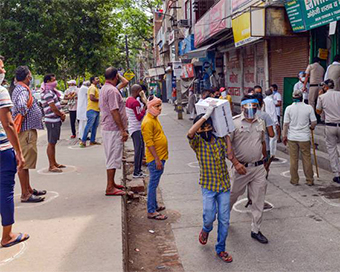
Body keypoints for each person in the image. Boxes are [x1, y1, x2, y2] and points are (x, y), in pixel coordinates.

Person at [187, 109, 233, 263]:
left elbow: (230, 155)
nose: (206, 130)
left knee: (224, 219)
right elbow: (190, 133)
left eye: (208, 126)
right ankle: (206, 229)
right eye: (203, 127)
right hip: (208, 187)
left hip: (224, 186)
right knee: (209, 216)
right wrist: (205, 116)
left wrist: (226, 134)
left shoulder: (219, 139)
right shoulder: (197, 143)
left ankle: (221, 248)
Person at [229, 95, 269, 244]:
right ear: (243, 107)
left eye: (254, 107)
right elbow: (227, 146)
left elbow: (262, 141)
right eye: (248, 107)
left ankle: (256, 230)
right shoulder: (234, 123)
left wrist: (265, 160)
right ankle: (224, 219)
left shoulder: (261, 122)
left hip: (258, 167)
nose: (251, 110)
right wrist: (235, 162)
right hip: (241, 168)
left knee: (258, 199)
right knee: (231, 195)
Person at [0, 58, 29, 247]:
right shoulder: (1, 91)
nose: (3, 70)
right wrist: (19, 151)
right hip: (2, 149)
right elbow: (8, 124)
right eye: (1, 67)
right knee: (5, 190)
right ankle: (7, 235)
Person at [12, 66, 46, 201]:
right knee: (23, 162)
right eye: (30, 75)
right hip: (25, 130)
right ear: (27, 77)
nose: (31, 78)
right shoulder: (22, 90)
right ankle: (25, 194)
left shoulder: (20, 88)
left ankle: (28, 188)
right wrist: (26, 111)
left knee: (25, 162)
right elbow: (21, 105)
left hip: (27, 130)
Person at [99, 67, 129, 196]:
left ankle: (112, 183)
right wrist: (122, 130)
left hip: (109, 127)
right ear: (116, 76)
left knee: (113, 156)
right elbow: (114, 111)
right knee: (112, 157)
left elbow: (126, 82)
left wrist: (118, 76)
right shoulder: (112, 91)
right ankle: (110, 187)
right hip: (113, 128)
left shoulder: (106, 88)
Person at [142, 97, 168, 220]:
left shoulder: (153, 118)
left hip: (160, 156)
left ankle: (154, 205)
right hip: (155, 158)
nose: (160, 108)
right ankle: (151, 210)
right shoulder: (147, 122)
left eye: (160, 106)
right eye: (157, 106)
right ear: (151, 107)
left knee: (155, 182)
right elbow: (149, 143)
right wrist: (157, 159)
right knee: (153, 183)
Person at [283, 89, 317, 186]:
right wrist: (311, 127)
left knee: (294, 159)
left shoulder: (288, 108)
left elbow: (285, 124)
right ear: (302, 97)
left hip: (292, 137)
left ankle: (294, 180)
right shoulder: (308, 108)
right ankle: (309, 180)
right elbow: (314, 122)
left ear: (293, 98)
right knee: (307, 159)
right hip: (304, 137)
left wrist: (284, 135)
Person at [316, 79, 340, 183]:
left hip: (330, 125)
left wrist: (319, 96)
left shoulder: (322, 97)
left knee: (332, 150)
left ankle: (337, 174)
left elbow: (318, 110)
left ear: (325, 87)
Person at [41, 74, 66, 173]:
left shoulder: (52, 91)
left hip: (55, 120)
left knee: (53, 142)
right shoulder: (47, 92)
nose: (55, 82)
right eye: (53, 80)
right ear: (47, 82)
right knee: (51, 143)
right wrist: (61, 115)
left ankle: (54, 162)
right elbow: (53, 107)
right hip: (51, 120)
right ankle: (51, 165)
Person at [126, 84, 147, 178]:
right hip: (136, 128)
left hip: (133, 127)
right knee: (139, 150)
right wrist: (144, 109)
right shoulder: (135, 103)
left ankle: (138, 170)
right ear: (138, 91)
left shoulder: (129, 100)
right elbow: (139, 117)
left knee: (140, 149)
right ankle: (136, 172)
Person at [80, 76, 100, 147]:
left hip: (96, 109)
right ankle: (83, 141)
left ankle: (92, 140)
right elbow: (92, 97)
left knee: (95, 126)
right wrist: (100, 99)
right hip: (92, 109)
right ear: (92, 81)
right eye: (97, 79)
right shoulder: (92, 88)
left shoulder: (95, 88)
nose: (98, 80)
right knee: (89, 125)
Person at [264, 89, 279, 160]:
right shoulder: (271, 101)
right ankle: (272, 154)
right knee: (273, 138)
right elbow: (273, 112)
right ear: (272, 94)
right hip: (271, 121)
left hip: (265, 121)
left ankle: (267, 153)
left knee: (266, 138)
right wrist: (276, 122)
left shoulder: (264, 100)